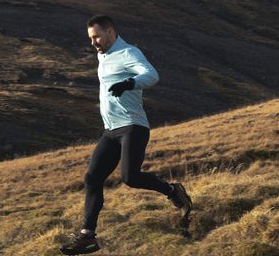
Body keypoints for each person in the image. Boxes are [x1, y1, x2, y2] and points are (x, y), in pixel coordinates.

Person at [60, 14, 192, 255]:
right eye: (90, 38)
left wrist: (129, 83)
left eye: (97, 36)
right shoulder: (103, 54)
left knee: (130, 177)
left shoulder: (128, 52)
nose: (93, 43)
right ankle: (87, 236)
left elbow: (152, 75)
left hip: (133, 126)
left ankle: (173, 192)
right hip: (111, 130)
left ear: (110, 32)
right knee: (92, 178)